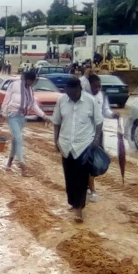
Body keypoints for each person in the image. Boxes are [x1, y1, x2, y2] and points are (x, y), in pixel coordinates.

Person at [51, 78, 103, 223]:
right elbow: (56, 122)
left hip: (84, 145)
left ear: (79, 89)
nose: (70, 96)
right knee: (69, 177)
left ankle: (79, 209)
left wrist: (96, 139)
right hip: (66, 145)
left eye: (72, 93)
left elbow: (99, 122)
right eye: (68, 93)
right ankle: (74, 203)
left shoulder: (90, 101)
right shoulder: (62, 100)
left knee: (81, 178)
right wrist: (55, 141)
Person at [0, 72, 45, 176]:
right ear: (26, 79)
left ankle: (9, 163)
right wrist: (2, 114)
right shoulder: (14, 85)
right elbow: (7, 99)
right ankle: (23, 166)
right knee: (19, 138)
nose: (31, 83)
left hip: (21, 117)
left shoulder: (29, 90)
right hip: (12, 115)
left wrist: (44, 116)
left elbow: (33, 104)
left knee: (16, 141)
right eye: (30, 81)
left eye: (32, 82)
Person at [86, 74, 119, 202]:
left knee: (97, 161)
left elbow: (105, 111)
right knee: (87, 161)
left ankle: (89, 186)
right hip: (85, 134)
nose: (98, 89)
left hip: (98, 133)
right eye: (95, 86)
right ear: (89, 86)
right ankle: (91, 189)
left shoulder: (102, 96)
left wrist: (113, 115)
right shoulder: (83, 97)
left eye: (99, 86)